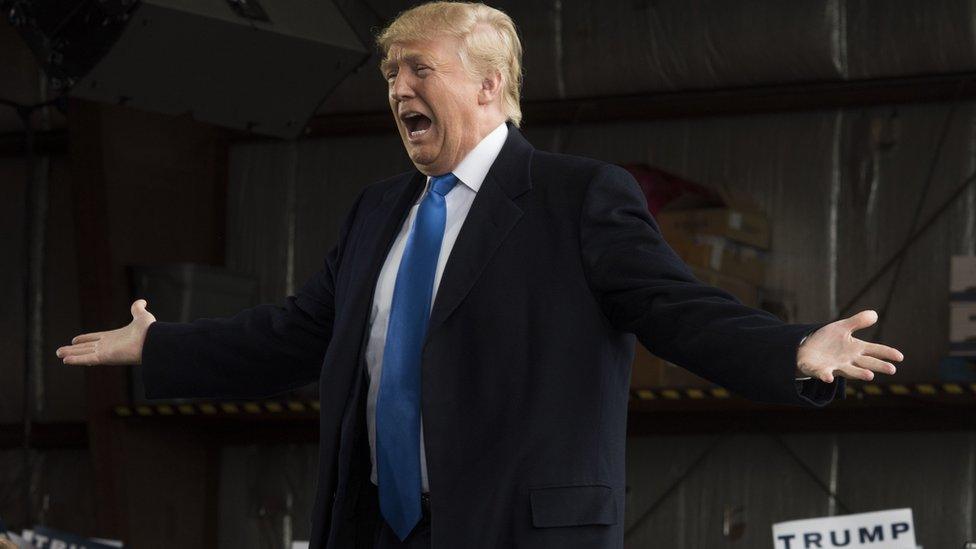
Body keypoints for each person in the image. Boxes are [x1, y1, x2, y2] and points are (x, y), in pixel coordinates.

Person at [57, 2, 904, 548]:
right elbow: (297, 333)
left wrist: (792, 350)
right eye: (391, 73)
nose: (397, 89)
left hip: (514, 531)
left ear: (491, 85)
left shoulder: (576, 197)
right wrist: (160, 346)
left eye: (419, 68)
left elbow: (673, 308)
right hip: (378, 529)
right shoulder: (376, 211)